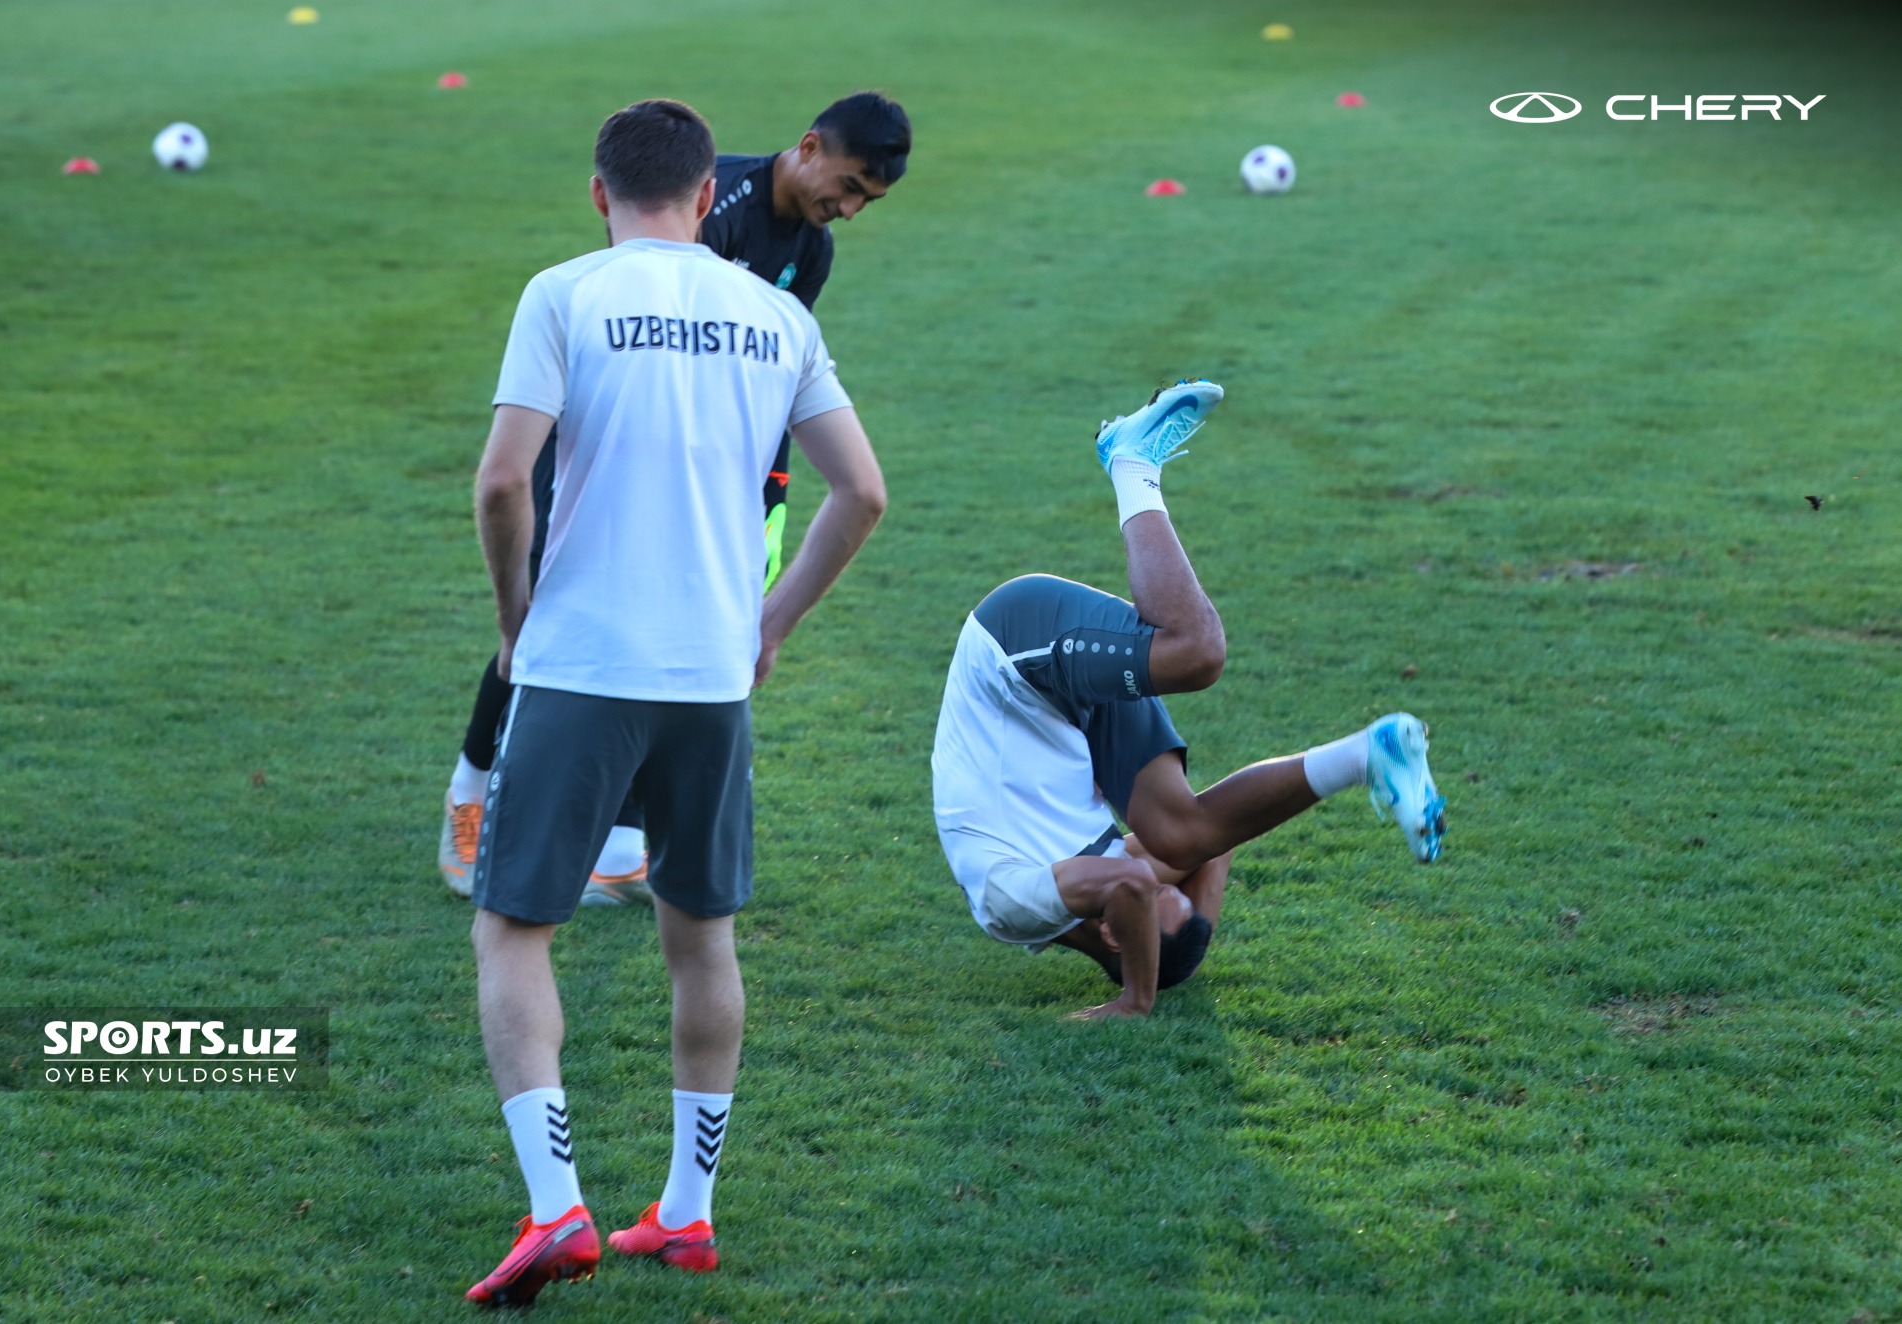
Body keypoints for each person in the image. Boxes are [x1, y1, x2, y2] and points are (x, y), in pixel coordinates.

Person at [462, 99, 886, 1307]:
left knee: (514, 927)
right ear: (710, 199)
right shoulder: (775, 312)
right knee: (701, 935)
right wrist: (771, 623)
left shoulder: (563, 294)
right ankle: (687, 1216)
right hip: (710, 675)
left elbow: (503, 479)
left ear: (599, 195)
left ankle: (557, 1209)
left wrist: (513, 619)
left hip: (583, 662)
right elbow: (861, 493)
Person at [440, 92, 913, 906]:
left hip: (715, 474)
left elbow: (773, 387)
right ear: (807, 147)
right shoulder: (715, 203)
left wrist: (765, 486)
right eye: (848, 185)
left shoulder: (813, 246)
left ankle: (620, 837)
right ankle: (471, 793)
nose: (850, 208)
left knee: (666, 624)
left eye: (867, 200)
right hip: (608, 454)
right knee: (550, 615)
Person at [929, 380, 1447, 1020]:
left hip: (1010, 655)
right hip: (1065, 711)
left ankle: (1130, 460)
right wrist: (1176, 950)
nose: (1155, 882)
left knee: (1194, 653)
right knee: (1185, 834)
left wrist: (1134, 1001)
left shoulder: (1011, 904)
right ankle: (1368, 754)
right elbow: (1209, 849)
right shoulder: (1114, 884)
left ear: (1114, 930)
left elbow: (1132, 883)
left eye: (1154, 899)